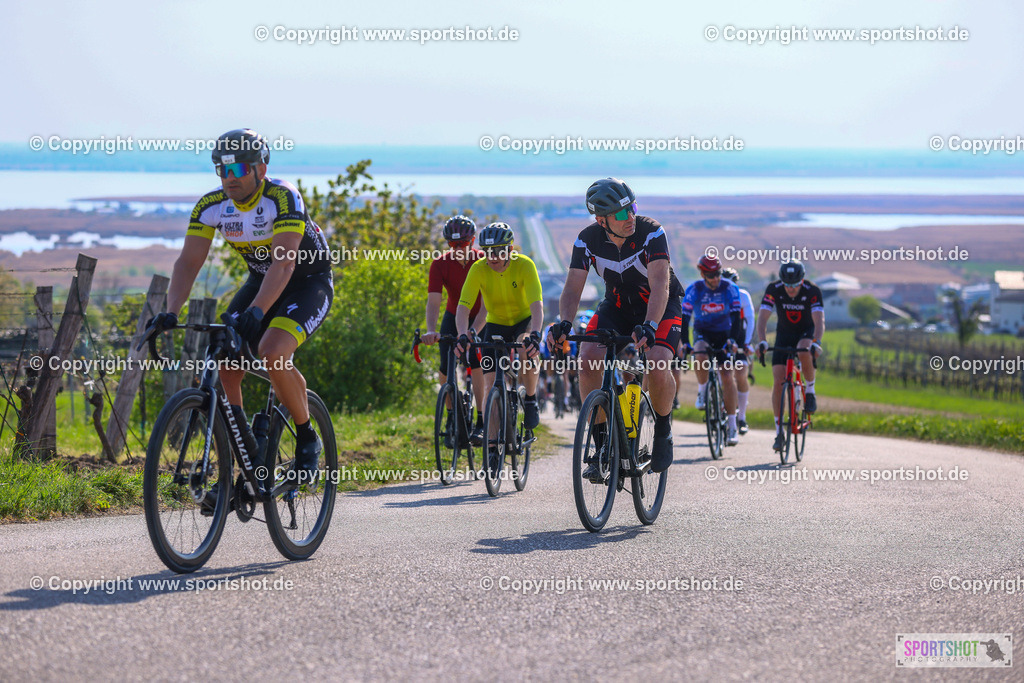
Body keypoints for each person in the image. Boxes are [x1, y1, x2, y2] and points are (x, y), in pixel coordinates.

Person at [145, 128, 333, 491]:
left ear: (260, 168)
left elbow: (284, 264)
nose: (229, 178)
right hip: (260, 280)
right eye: (222, 170)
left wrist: (258, 313)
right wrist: (170, 311)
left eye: (238, 170)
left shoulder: (283, 197)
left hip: (306, 281)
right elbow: (188, 263)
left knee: (273, 351)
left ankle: (308, 436)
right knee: (225, 361)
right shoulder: (211, 206)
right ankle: (247, 450)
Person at [551, 178, 682, 476]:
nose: (630, 218)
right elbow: (572, 289)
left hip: (660, 306)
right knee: (587, 362)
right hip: (618, 307)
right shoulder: (587, 240)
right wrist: (564, 324)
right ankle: (600, 449)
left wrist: (649, 325)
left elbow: (660, 284)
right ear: (601, 220)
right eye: (622, 214)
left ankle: (663, 430)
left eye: (632, 208)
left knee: (658, 363)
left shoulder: (651, 232)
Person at [453, 223, 544, 432]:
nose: (492, 257)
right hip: (496, 323)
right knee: (489, 384)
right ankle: (492, 447)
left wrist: (536, 334)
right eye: (487, 252)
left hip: (523, 320)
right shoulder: (478, 268)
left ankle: (530, 399)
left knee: (526, 348)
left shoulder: (525, 265)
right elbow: (462, 308)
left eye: (498, 251)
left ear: (510, 250)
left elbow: (536, 306)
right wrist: (462, 335)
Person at [421, 215, 488, 444]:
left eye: (463, 243)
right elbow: (433, 301)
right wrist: (431, 330)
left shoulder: (483, 261)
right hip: (453, 315)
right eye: (452, 244)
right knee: (444, 365)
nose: (458, 249)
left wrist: (472, 333)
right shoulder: (439, 264)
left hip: (481, 316)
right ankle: (452, 415)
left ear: (473, 240)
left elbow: (487, 304)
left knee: (477, 361)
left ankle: (481, 419)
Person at [754, 260, 825, 452]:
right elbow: (762, 317)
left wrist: (816, 342)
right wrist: (762, 340)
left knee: (803, 350)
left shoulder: (812, 291)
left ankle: (810, 390)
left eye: (795, 286)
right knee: (778, 381)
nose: (791, 290)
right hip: (784, 334)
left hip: (806, 332)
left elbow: (819, 321)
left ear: (802, 280)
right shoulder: (774, 289)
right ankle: (779, 431)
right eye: (788, 285)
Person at [681, 255, 743, 446]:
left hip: (724, 332)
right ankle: (702, 390)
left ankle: (732, 426)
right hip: (703, 331)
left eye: (717, 274)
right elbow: (684, 318)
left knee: (727, 375)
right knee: (699, 353)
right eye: (710, 275)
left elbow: (736, 317)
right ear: (702, 274)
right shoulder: (695, 289)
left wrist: (732, 340)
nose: (715, 278)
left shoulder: (729, 288)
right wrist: (685, 342)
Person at [722, 267, 755, 435]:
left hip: (740, 337)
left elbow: (750, 321)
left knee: (741, 372)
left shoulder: (743, 296)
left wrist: (748, 343)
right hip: (721, 336)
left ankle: (741, 417)